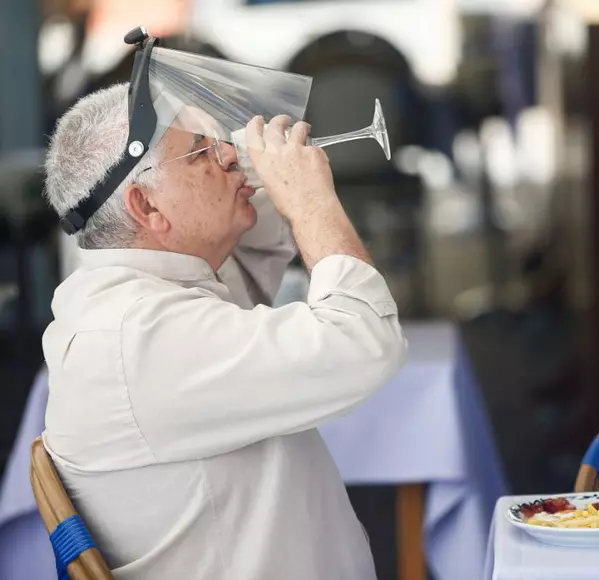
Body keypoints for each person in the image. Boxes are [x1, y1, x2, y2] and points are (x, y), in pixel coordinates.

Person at [40, 82, 407, 579]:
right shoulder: (140, 338)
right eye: (200, 153)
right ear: (146, 208)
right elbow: (365, 340)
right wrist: (310, 200)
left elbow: (257, 244)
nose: (230, 155)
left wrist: (253, 161)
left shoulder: (142, 288)